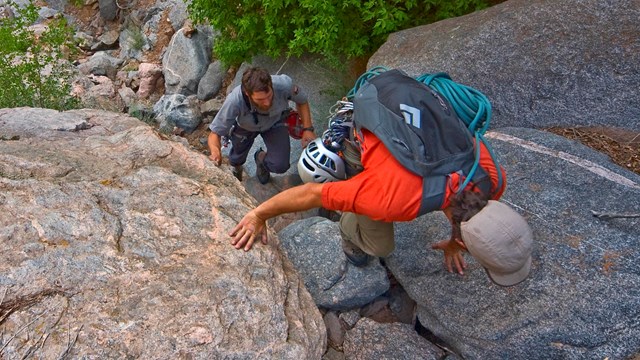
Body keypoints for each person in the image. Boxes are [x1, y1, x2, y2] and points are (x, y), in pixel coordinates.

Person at [227, 77, 534, 286]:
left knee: (372, 196)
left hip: (397, 98)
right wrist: (259, 214)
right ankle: (348, 223)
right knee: (379, 245)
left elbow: (456, 191)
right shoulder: (390, 198)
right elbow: (311, 193)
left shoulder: (492, 179)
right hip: (371, 127)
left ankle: (351, 198)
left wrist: (455, 240)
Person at [208, 67, 316, 183]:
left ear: (271, 85)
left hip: (274, 121)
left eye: (269, 96)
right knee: (236, 158)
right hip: (245, 127)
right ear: (247, 94)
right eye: (260, 99)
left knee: (280, 165)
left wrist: (308, 129)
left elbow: (302, 101)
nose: (267, 102)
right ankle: (237, 168)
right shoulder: (234, 101)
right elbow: (215, 133)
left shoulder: (284, 85)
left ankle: (261, 159)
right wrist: (215, 152)